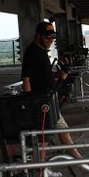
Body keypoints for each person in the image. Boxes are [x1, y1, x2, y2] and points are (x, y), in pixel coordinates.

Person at [21, 20, 79, 157]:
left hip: (48, 100)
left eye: (53, 37)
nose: (51, 40)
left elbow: (42, 77)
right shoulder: (32, 52)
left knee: (62, 130)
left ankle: (78, 160)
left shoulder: (41, 52)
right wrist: (30, 102)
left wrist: (61, 76)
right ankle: (41, 172)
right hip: (41, 103)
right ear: (38, 36)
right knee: (43, 140)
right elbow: (26, 78)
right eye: (47, 37)